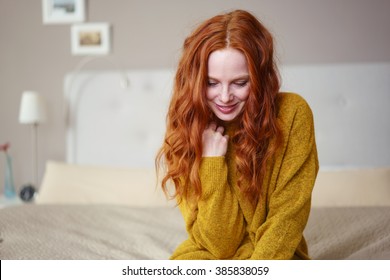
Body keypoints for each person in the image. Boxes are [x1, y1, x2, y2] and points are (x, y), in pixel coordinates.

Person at [156, 9, 319, 260]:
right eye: (211, 83)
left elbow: (287, 217)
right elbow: (219, 245)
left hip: (275, 257)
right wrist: (211, 163)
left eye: (240, 83)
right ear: (196, 80)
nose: (224, 97)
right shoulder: (187, 128)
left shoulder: (293, 114)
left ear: (260, 78)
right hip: (208, 254)